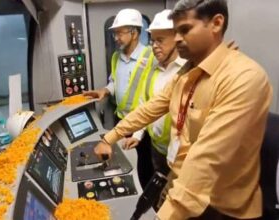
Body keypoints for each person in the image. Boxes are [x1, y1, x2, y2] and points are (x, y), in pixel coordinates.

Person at [94, 0, 272, 219]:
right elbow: (150, 108)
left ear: (216, 24)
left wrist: (165, 215)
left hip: (218, 207)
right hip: (180, 184)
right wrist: (110, 137)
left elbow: (206, 160)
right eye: (176, 31)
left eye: (185, 30)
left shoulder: (243, 78)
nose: (177, 39)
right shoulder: (186, 74)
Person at [83, 8, 157, 188]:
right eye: (114, 33)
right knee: (124, 166)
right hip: (121, 121)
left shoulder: (151, 57)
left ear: (134, 32)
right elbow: (115, 81)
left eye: (119, 33)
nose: (115, 37)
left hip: (142, 125)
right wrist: (105, 91)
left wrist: (140, 132)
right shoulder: (116, 57)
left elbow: (154, 100)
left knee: (144, 170)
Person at [124, 9, 186, 176]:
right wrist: (137, 135)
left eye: (160, 40)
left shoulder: (190, 71)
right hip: (157, 149)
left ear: (176, 38)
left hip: (182, 158)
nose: (155, 47)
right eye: (152, 41)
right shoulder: (153, 70)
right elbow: (146, 105)